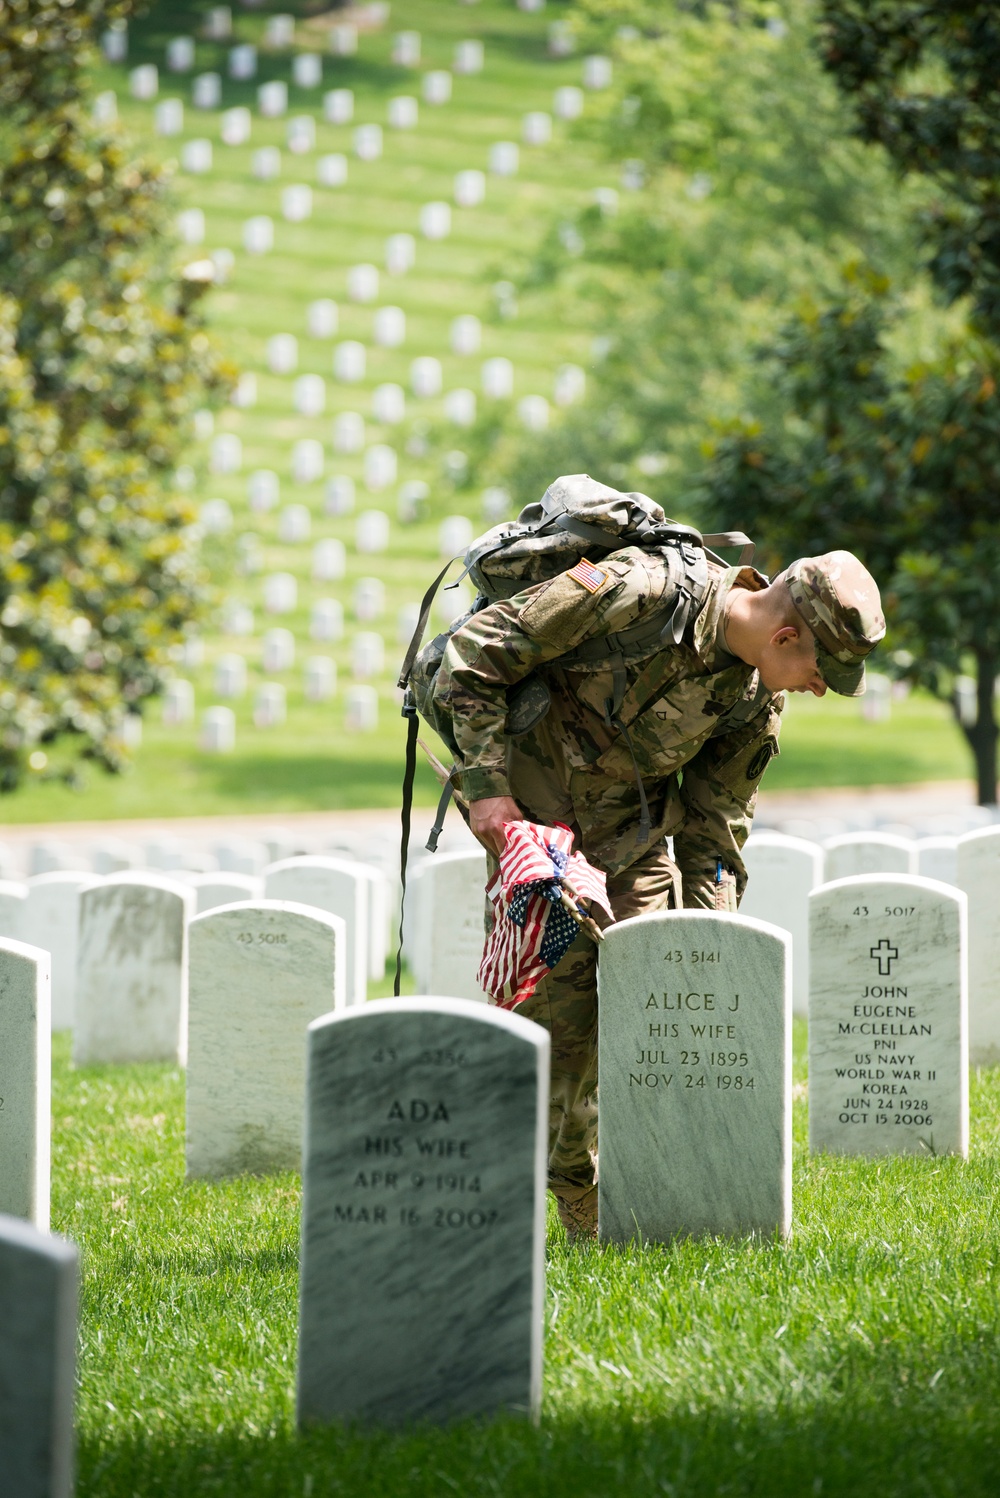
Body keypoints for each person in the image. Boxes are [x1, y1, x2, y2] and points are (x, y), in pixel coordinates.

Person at [431, 541, 885, 1239]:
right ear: (786, 635)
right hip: (538, 829)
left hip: (631, 837)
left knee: (653, 1002)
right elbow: (476, 652)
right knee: (561, 1028)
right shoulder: (633, 593)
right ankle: (569, 1193)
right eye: (821, 672)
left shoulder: (754, 698)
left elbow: (715, 832)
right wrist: (488, 793)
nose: (818, 688)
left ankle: (643, 1186)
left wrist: (714, 945)